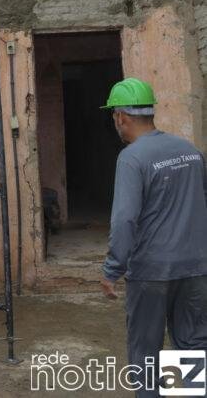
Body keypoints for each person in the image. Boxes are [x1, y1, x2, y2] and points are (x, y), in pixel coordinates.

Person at [99, 77, 207, 396]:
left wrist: (112, 269)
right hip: (196, 269)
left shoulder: (132, 158)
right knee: (192, 345)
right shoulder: (190, 151)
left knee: (146, 354)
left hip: (151, 272)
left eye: (114, 117)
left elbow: (124, 219)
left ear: (121, 117)